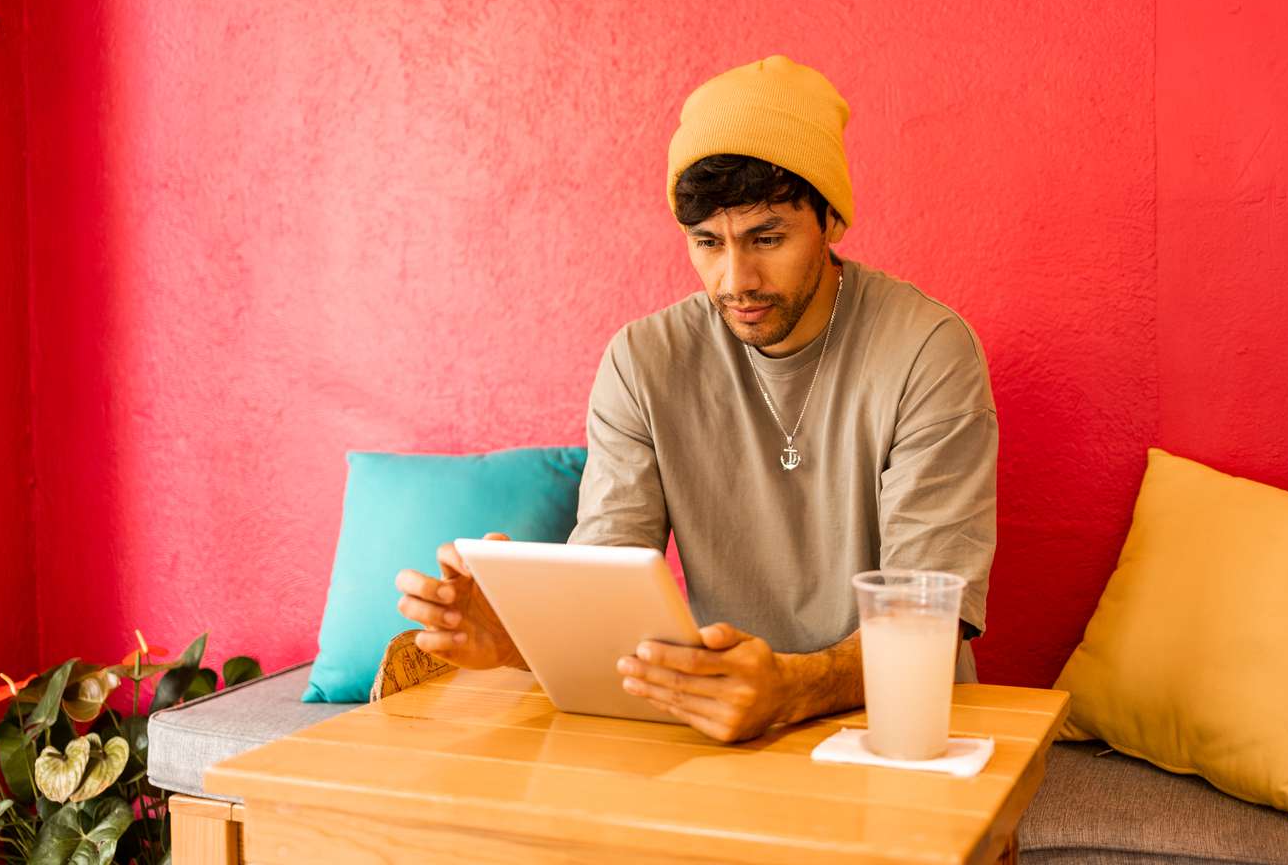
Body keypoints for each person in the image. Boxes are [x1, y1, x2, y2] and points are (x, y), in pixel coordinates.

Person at [395, 55, 997, 743]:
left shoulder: (929, 349)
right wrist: (517, 642)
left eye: (767, 238)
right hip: (715, 725)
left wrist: (791, 689)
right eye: (707, 243)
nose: (735, 279)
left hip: (897, 729)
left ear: (830, 220)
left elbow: (927, 617)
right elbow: (607, 584)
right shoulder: (643, 361)